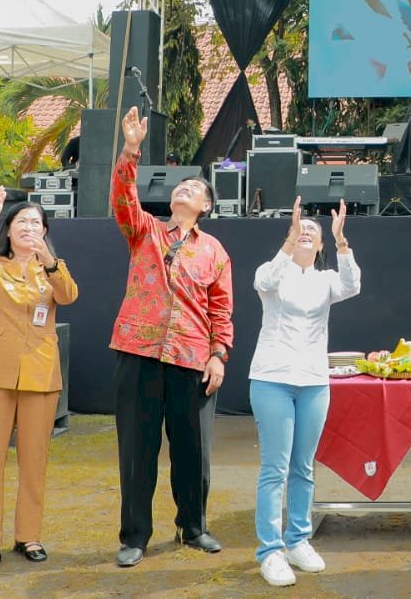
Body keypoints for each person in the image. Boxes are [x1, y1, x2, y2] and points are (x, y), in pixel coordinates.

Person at [110, 106, 234, 568]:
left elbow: (222, 308)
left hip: (191, 357)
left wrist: (218, 354)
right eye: (183, 184)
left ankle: (194, 526)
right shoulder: (145, 232)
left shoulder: (215, 251)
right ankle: (135, 536)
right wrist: (130, 148)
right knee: (137, 450)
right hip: (138, 353)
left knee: (193, 451)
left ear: (205, 208)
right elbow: (122, 198)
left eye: (196, 189)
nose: (186, 188)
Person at [0, 187, 79, 568]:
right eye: (21, 221)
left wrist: (50, 260)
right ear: (8, 231)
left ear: (45, 232)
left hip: (40, 371)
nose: (28, 227)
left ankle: (29, 536)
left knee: (34, 460)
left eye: (36, 223)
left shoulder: (53, 268)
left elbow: (69, 296)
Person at [249, 199, 361, 587]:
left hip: (314, 381)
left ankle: (298, 540)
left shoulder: (325, 280)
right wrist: (289, 239)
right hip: (271, 379)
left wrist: (341, 240)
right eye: (300, 231)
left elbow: (352, 285)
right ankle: (270, 551)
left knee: (303, 467)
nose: (306, 234)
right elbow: (264, 283)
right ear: (289, 239)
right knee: (275, 469)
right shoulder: (273, 271)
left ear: (320, 247)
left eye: (312, 233)